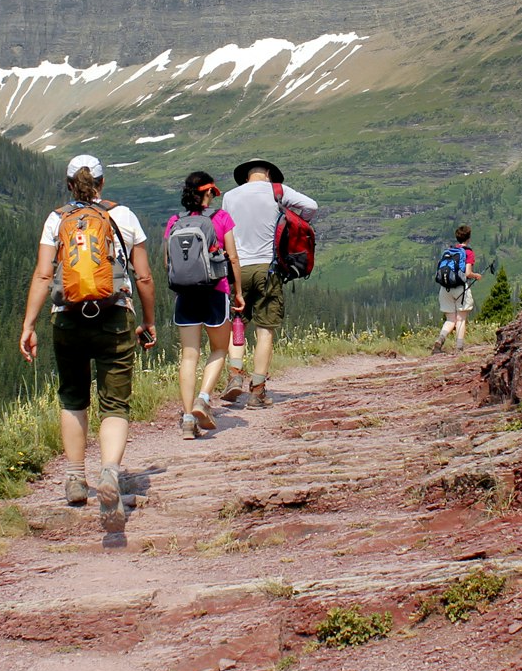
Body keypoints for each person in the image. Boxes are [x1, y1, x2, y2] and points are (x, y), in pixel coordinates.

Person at [17, 154, 157, 517]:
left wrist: (29, 325)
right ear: (102, 183)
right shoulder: (122, 217)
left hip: (67, 319)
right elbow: (143, 276)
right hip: (114, 317)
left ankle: (76, 479)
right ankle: (109, 472)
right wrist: (150, 320)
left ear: (69, 184)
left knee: (73, 398)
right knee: (114, 403)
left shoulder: (56, 220)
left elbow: (44, 276)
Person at [222, 159, 317, 407]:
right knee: (265, 330)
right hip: (268, 268)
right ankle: (258, 390)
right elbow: (311, 207)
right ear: (267, 174)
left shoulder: (230, 197)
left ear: (246, 177)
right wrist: (288, 216)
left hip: (238, 268)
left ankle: (234, 375)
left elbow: (225, 230)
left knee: (238, 323)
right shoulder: (278, 192)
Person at [163, 171, 245, 439]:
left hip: (185, 295)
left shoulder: (175, 221)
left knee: (189, 355)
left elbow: (168, 262)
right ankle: (203, 398)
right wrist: (238, 292)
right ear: (208, 193)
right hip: (214, 292)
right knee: (220, 348)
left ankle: (187, 420)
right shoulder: (221, 218)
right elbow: (232, 258)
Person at [432, 224, 483, 353]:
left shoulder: (450, 251)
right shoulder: (468, 252)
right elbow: (467, 273)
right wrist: (476, 276)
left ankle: (440, 339)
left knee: (450, 319)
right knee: (460, 319)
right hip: (460, 288)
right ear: (469, 238)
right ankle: (459, 348)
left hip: (445, 288)